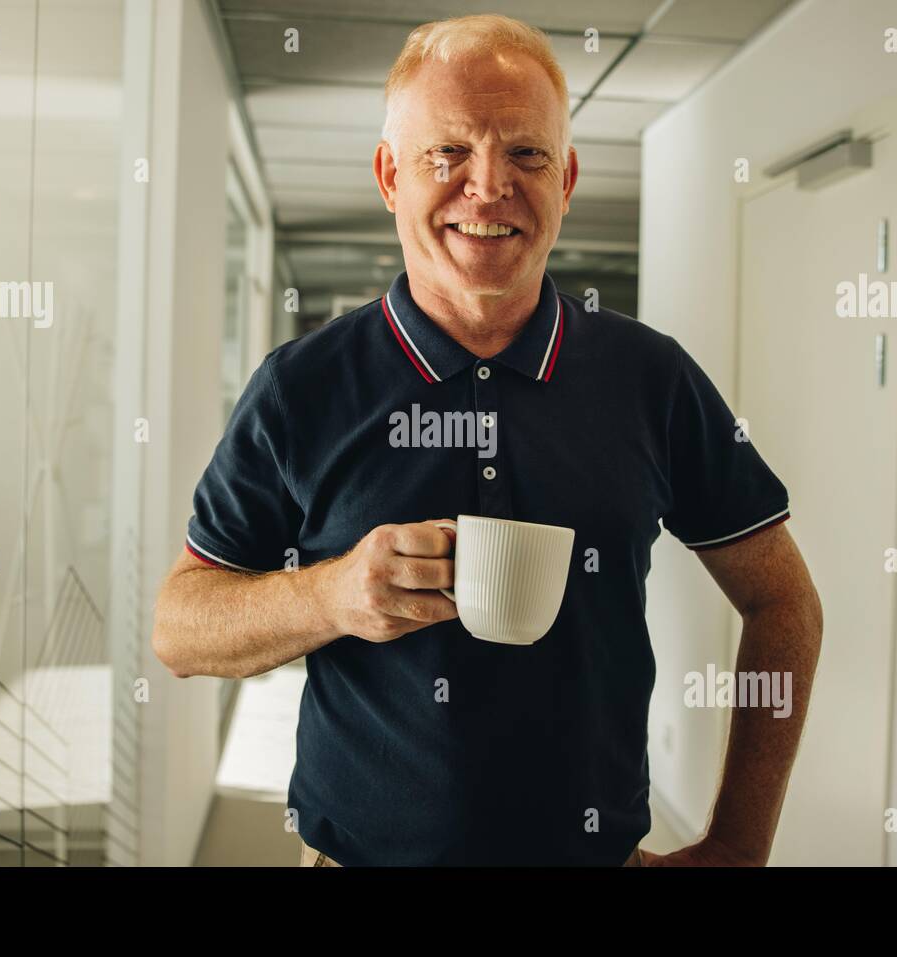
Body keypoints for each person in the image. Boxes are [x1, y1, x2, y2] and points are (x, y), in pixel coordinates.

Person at [153, 14, 822, 867]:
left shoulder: (650, 379)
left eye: (527, 155)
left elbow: (785, 604)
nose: (489, 186)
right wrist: (330, 596)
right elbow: (179, 628)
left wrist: (737, 844)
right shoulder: (301, 388)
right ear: (390, 175)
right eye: (448, 154)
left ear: (568, 178)